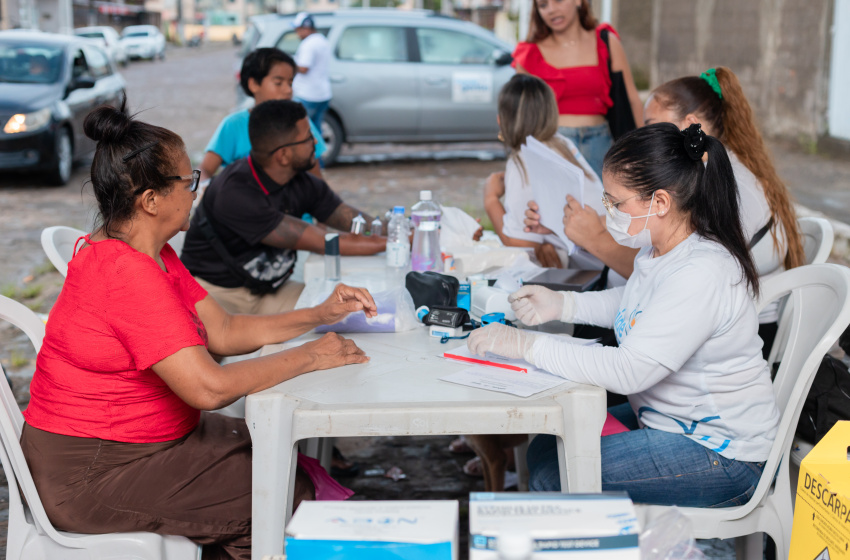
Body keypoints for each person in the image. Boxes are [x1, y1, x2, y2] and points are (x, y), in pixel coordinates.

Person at [21, 102, 376, 559]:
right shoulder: (126, 274)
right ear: (150, 201)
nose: (195, 192)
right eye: (187, 183)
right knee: (281, 490)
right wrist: (311, 355)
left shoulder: (148, 252)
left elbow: (224, 330)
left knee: (273, 448)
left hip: (135, 446)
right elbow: (208, 388)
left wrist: (318, 314)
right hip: (92, 475)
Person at [468, 123, 780, 507]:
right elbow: (633, 302)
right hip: (669, 423)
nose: (608, 212)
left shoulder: (702, 272)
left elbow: (630, 370)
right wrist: (563, 305)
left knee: (553, 475)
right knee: (545, 448)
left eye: (617, 203)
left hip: (724, 454)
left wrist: (528, 346)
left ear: (660, 202)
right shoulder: (661, 249)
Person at [181, 99, 386, 316]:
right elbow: (325, 243)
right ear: (284, 155)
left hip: (271, 291)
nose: (316, 142)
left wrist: (396, 229)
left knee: (348, 312)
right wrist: (398, 242)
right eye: (308, 137)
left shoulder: (300, 181)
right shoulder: (235, 193)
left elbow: (349, 218)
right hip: (215, 295)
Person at [483, 74, 606, 269]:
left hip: (591, 267)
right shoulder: (563, 144)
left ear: (501, 121)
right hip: (605, 256)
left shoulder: (522, 161)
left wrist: (490, 199)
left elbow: (513, 239)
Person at [512, 0, 642, 178]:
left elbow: (632, 100)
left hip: (603, 146)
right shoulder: (530, 54)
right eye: (543, 5)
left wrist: (646, 151)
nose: (551, 10)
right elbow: (522, 116)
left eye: (558, 1)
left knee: (608, 204)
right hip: (552, 146)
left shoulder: (606, 42)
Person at [200, 47, 326, 182]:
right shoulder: (233, 125)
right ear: (254, 84)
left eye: (290, 83)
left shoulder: (301, 123)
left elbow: (316, 177)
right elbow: (205, 169)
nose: (288, 90)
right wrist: (205, 190)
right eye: (278, 83)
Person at [291, 12, 332, 134]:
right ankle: (318, 152)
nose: (296, 33)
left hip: (307, 94)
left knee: (302, 132)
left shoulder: (308, 44)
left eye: (298, 29)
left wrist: (289, 65)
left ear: (306, 28)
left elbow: (304, 68)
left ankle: (310, 153)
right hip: (323, 93)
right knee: (316, 130)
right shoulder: (322, 40)